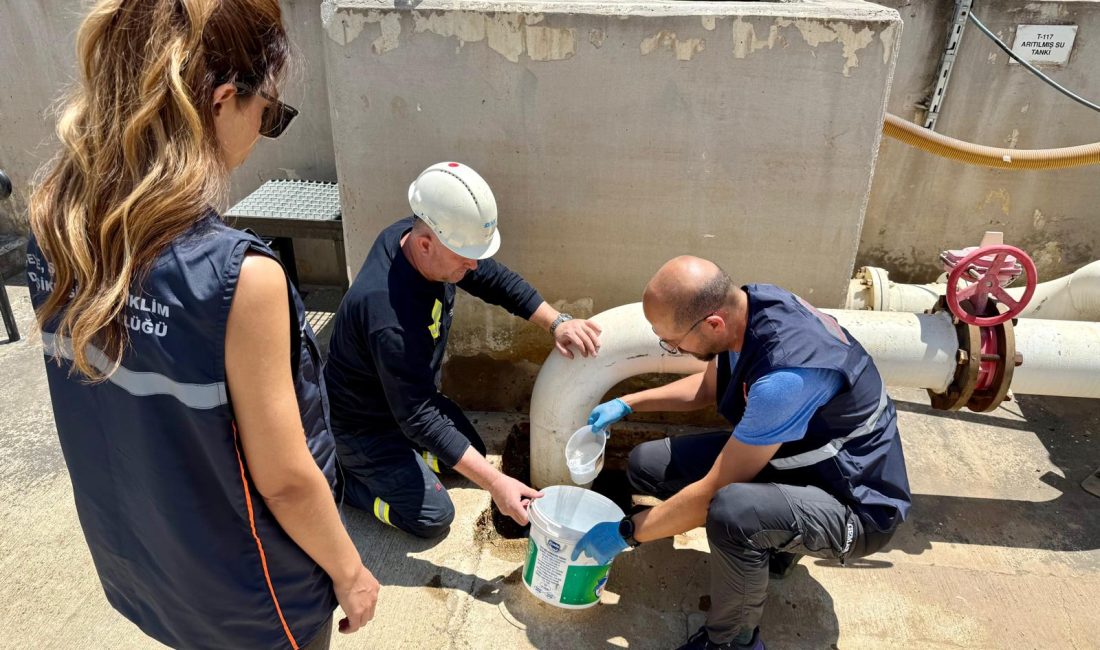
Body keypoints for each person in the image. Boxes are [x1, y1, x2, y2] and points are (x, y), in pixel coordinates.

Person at [26, 1, 377, 648]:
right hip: (255, 599)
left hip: (145, 568)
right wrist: (352, 573)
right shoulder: (239, 279)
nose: (265, 128)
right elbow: (288, 479)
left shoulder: (57, 229)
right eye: (268, 113)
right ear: (221, 102)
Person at [572, 256, 912, 650]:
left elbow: (710, 494)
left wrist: (628, 532)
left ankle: (734, 641)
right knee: (648, 466)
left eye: (673, 342)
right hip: (803, 460)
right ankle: (773, 547)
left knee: (732, 513)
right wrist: (628, 402)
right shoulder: (750, 308)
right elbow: (706, 389)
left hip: (856, 501)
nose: (671, 348)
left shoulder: (784, 379)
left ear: (712, 322)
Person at [324, 162, 602, 537]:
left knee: (470, 452)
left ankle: (410, 461)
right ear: (426, 244)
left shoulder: (416, 240)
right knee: (432, 517)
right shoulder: (388, 315)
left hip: (403, 401)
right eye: (464, 256)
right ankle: (340, 481)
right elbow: (419, 415)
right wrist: (497, 484)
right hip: (363, 426)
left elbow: (492, 278)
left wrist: (557, 322)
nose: (473, 264)